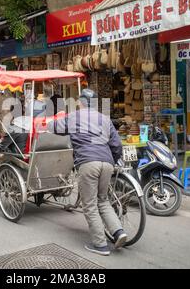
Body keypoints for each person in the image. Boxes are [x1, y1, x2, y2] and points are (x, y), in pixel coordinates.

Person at [50, 89, 126, 256]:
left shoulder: (74, 116)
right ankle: (118, 232)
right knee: (103, 200)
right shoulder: (104, 119)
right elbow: (117, 144)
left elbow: (54, 127)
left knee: (90, 204)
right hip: (107, 163)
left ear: (80, 102)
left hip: (87, 162)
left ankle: (100, 245)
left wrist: (48, 121)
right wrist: (111, 160)